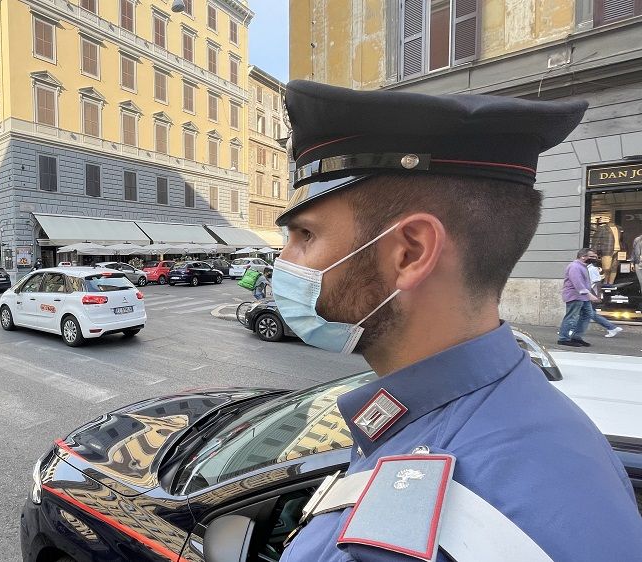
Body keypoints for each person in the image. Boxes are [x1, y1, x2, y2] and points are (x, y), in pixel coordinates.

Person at [273, 81, 642, 561]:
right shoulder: (545, 427)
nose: (285, 257)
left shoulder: (413, 538)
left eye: (305, 234)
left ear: (411, 252)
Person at [558, 249, 600, 347]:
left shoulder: (582, 266)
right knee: (571, 317)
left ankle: (576, 336)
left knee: (588, 314)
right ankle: (564, 338)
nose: (595, 258)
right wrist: (589, 295)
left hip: (583, 297)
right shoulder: (575, 266)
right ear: (583, 257)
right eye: (592, 256)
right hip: (574, 296)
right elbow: (577, 282)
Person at [585, 255, 622, 338]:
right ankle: (612, 327)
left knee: (587, 313)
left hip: (591, 294)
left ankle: (571, 329)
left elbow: (596, 282)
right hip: (590, 294)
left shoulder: (591, 269)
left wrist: (595, 295)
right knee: (590, 313)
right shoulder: (590, 268)